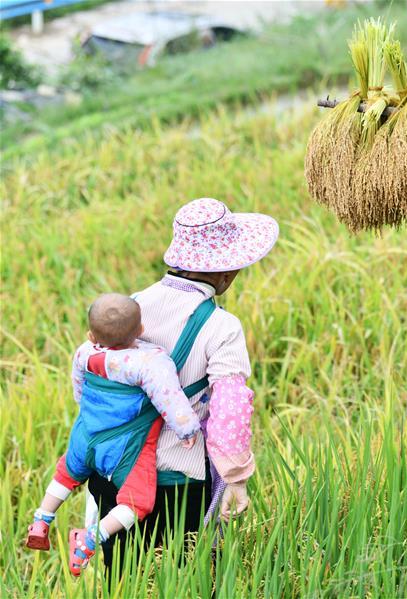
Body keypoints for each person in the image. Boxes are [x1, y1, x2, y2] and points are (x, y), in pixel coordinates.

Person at [86, 197, 279, 573]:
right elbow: (229, 410)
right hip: (176, 481)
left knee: (123, 577)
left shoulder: (132, 305)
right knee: (188, 574)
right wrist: (236, 480)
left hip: (113, 473)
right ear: (225, 274)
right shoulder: (222, 327)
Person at [25, 294, 201, 576]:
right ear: (141, 331)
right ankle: (91, 538)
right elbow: (169, 398)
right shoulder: (150, 361)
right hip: (125, 448)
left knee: (66, 472)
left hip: (86, 434)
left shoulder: (85, 352)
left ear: (91, 334)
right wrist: (187, 428)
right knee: (137, 501)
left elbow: (78, 389)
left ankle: (42, 518)